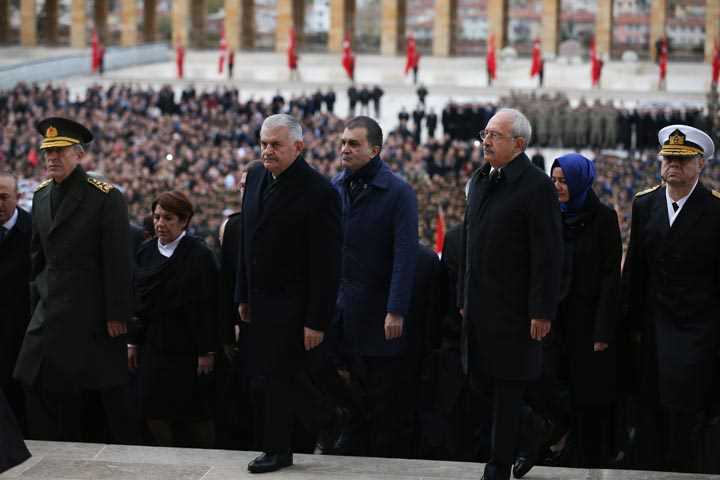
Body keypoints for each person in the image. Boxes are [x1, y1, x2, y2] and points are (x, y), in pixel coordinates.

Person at [13, 117, 137, 443]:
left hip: (89, 312)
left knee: (88, 395)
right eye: (48, 151)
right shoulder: (40, 196)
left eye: (60, 151)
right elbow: (37, 260)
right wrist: (36, 302)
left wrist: (117, 314)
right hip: (49, 309)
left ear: (79, 155)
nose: (52, 157)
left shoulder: (105, 197)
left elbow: (118, 260)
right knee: (33, 380)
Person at [236, 114, 344, 473]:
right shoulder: (254, 177)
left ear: (298, 147)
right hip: (260, 300)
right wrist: (243, 294)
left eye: (276, 145)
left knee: (278, 377)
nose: (268, 151)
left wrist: (317, 319)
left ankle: (279, 449)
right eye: (264, 143)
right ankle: (328, 418)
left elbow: (326, 264)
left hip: (295, 304)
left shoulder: (319, 192)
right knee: (273, 374)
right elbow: (246, 241)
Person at [460, 109, 562, 480]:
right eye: (484, 133)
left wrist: (541, 310)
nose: (485, 141)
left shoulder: (536, 187)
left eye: (495, 135)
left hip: (516, 310)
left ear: (518, 144)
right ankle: (532, 428)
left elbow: (548, 254)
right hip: (479, 304)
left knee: (506, 387)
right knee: (479, 380)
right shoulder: (482, 179)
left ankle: (497, 467)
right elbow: (471, 243)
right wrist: (463, 296)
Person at [622, 125, 720, 473]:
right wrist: (627, 325)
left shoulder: (713, 209)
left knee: (686, 414)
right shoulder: (645, 204)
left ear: (700, 165)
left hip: (697, 330)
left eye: (682, 160)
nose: (673, 166)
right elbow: (635, 268)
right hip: (652, 326)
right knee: (650, 411)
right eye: (668, 159)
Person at [331, 116, 419, 457]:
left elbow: (405, 255)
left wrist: (395, 309)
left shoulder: (398, 192)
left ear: (375, 150)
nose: (345, 149)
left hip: (379, 310)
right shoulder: (337, 186)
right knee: (345, 382)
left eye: (354, 144)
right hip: (342, 308)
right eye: (343, 142)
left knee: (382, 394)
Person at [130, 191, 219, 448]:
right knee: (153, 408)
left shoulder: (199, 255)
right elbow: (138, 301)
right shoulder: (145, 252)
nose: (160, 223)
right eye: (157, 217)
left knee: (193, 413)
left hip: (187, 347)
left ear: (184, 221)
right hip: (153, 345)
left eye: (168, 218)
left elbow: (206, 306)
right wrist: (133, 343)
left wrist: (206, 351)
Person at [549, 153, 622, 468]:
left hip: (588, 323)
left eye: (564, 181)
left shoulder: (604, 218)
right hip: (553, 320)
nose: (558, 187)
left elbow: (610, 277)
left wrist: (603, 328)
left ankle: (586, 457)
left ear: (580, 181)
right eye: (554, 180)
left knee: (587, 393)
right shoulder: (551, 214)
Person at [0, 173, 32, 427]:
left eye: (4, 198)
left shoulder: (34, 230)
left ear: (18, 198)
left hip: (23, 326)